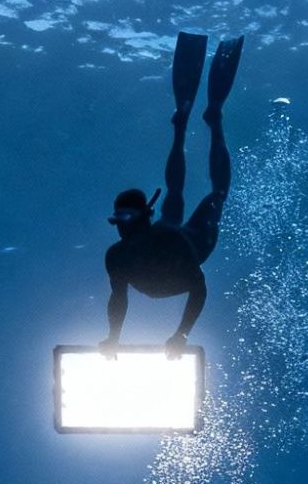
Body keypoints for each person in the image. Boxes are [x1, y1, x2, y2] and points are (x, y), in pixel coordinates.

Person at [99, 32, 244, 359]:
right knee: (175, 200)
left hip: (193, 242)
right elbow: (118, 298)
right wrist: (112, 338)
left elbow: (199, 287)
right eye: (118, 220)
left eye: (127, 219)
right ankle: (182, 124)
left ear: (141, 217)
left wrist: (180, 334)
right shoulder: (117, 257)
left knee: (216, 196)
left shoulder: (168, 245)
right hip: (168, 236)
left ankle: (211, 119)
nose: (122, 227)